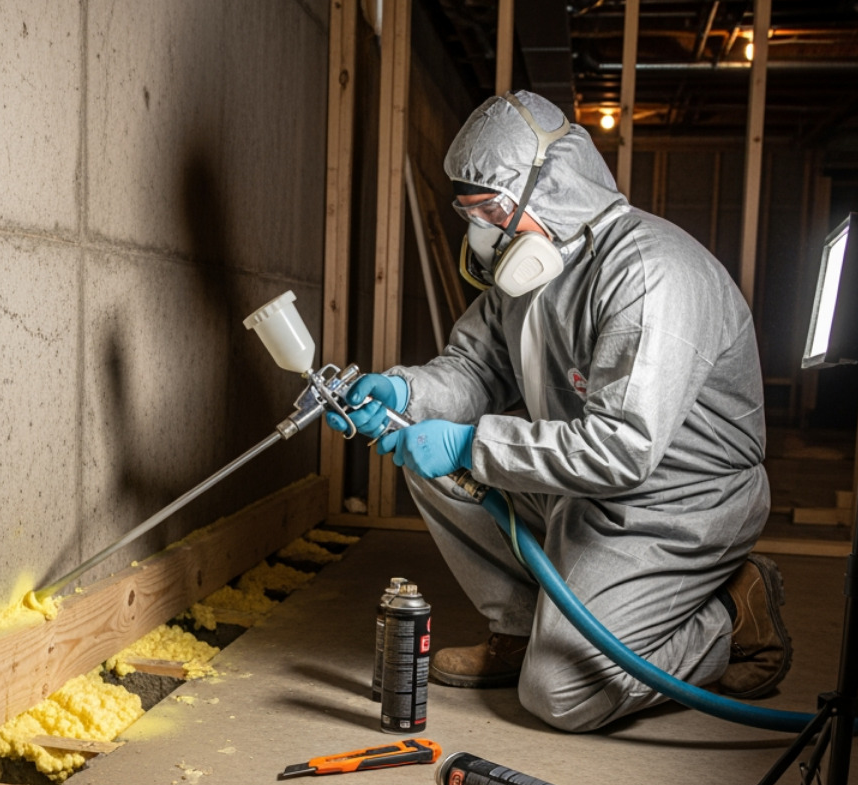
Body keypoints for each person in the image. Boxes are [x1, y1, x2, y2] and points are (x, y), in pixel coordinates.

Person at [327, 91, 791, 733]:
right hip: (581, 486)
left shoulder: (650, 275)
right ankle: (519, 629)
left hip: (673, 506)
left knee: (561, 693)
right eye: (469, 213)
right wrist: (407, 395)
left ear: (550, 189)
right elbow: (472, 368)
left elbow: (622, 449)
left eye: (491, 210)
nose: (480, 234)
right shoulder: (528, 273)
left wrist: (469, 446)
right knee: (421, 452)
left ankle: (732, 617)